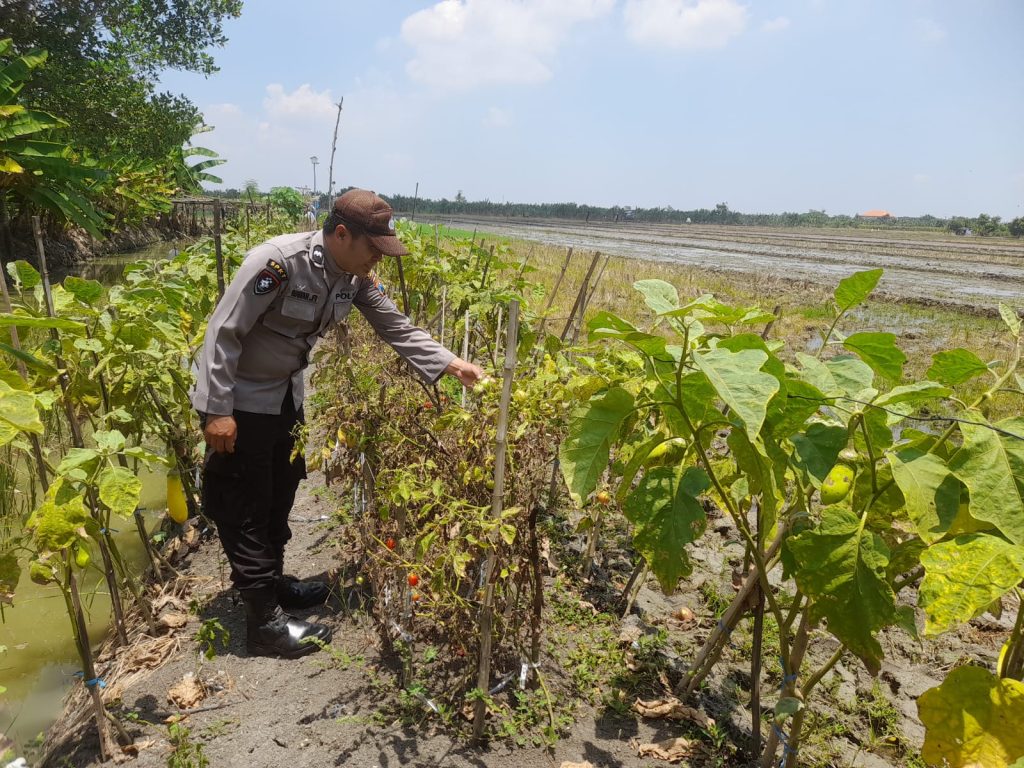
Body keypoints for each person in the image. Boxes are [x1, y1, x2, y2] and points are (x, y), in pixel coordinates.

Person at [191, 188, 484, 658]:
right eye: (373, 249)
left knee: (281, 490)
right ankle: (263, 625)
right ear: (342, 234)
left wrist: (453, 365)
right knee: (245, 504)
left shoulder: (353, 276)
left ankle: (274, 585)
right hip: (239, 400)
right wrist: (217, 411)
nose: (378, 261)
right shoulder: (277, 263)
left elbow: (396, 326)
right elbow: (222, 334)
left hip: (286, 395)